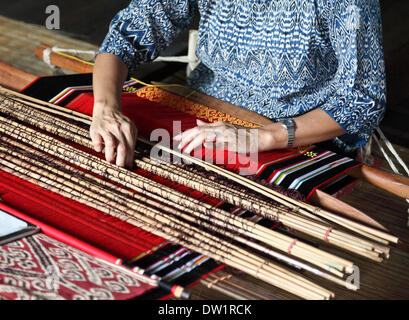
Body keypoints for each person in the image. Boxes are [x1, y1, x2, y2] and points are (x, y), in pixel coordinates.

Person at [90, 0, 386, 168]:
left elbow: (362, 99)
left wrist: (265, 137)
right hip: (201, 118)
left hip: (293, 137)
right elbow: (125, 37)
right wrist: (105, 108)